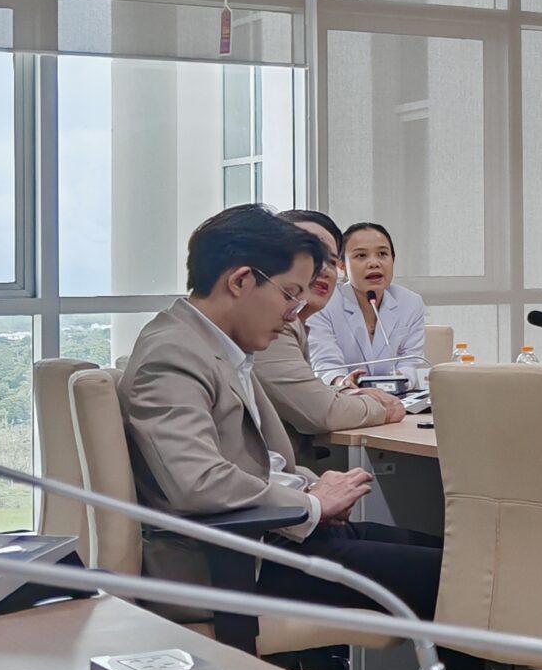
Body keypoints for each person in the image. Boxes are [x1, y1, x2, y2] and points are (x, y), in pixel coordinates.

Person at [119, 205, 444, 623]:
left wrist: (312, 487)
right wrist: (312, 503)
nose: (295, 312)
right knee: (456, 582)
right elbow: (198, 482)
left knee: (456, 561)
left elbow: (256, 463)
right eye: (290, 294)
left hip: (268, 536)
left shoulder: (218, 345)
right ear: (241, 281)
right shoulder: (173, 353)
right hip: (231, 563)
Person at [255, 209, 406, 464]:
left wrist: (345, 393)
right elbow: (320, 411)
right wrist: (382, 406)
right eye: (310, 256)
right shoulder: (266, 322)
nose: (323, 270)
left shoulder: (292, 320)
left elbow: (304, 392)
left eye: (330, 261)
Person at [309, 221, 426, 384]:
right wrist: (343, 383)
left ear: (393, 260)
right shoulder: (325, 302)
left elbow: (412, 361)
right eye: (361, 256)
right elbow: (325, 363)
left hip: (397, 394)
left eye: (382, 254)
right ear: (341, 265)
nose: (374, 263)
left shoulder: (410, 302)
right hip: (343, 395)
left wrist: (397, 381)